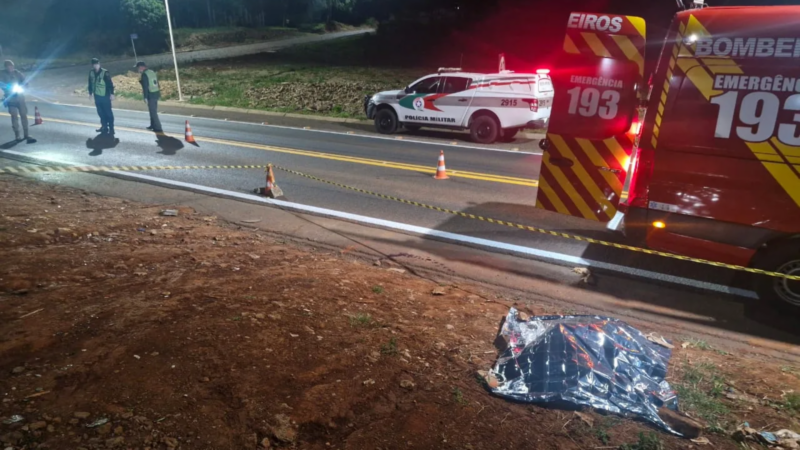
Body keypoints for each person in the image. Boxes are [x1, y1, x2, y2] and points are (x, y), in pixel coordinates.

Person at [1, 60, 36, 143]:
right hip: (10, 98)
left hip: (20, 98)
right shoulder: (2, 74)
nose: (10, 68)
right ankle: (17, 135)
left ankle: (26, 134)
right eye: (8, 66)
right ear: (5, 67)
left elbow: (25, 82)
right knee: (14, 116)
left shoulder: (18, 73)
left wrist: (24, 85)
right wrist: (6, 88)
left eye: (11, 66)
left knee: (24, 115)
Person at [88, 58, 115, 135]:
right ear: (92, 65)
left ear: (99, 64)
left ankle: (111, 128)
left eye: (96, 64)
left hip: (105, 96)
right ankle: (104, 127)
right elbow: (90, 83)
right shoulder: (91, 72)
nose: (95, 66)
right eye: (94, 64)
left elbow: (110, 84)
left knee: (108, 113)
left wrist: (112, 94)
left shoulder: (105, 72)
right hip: (97, 96)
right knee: (100, 112)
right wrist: (90, 93)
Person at [136, 61, 162, 133]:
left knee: (153, 112)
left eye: (138, 68)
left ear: (141, 67)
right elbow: (157, 83)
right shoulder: (151, 72)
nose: (138, 70)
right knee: (152, 111)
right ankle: (152, 125)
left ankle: (158, 127)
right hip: (156, 93)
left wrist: (145, 97)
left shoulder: (144, 74)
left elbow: (145, 86)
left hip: (150, 95)